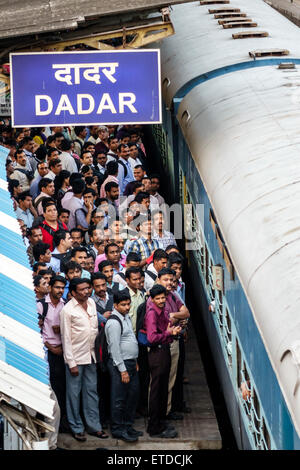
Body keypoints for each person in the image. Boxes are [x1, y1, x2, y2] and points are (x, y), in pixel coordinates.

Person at [60, 277, 109, 441]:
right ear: (73, 292)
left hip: (92, 356)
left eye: (88, 288)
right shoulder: (67, 310)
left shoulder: (92, 304)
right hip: (76, 358)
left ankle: (94, 426)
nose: (86, 291)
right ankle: (76, 427)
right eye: (82, 289)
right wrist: (71, 362)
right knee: (74, 394)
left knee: (91, 392)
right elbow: (65, 338)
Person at [145, 284, 181, 438]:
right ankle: (154, 427)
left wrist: (172, 331)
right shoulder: (152, 313)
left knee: (162, 388)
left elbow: (166, 328)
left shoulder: (163, 310)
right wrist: (168, 333)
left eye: (162, 298)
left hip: (164, 349)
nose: (161, 300)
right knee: (156, 390)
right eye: (158, 298)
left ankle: (160, 421)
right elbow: (151, 338)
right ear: (152, 299)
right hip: (157, 352)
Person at [105, 290, 140, 442]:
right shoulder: (114, 322)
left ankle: (127, 425)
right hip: (121, 365)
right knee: (118, 398)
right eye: (123, 305)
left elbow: (130, 339)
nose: (127, 307)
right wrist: (123, 370)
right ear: (115, 305)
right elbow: (114, 349)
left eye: (128, 304)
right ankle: (118, 429)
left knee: (132, 395)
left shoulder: (125, 317)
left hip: (131, 363)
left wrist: (135, 361)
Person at [37, 275, 68, 432]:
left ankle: (60, 423)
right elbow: (37, 330)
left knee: (62, 388)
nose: (60, 290)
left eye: (62, 288)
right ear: (50, 287)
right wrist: (50, 346)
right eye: (57, 287)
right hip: (48, 352)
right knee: (51, 388)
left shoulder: (65, 305)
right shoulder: (41, 306)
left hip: (63, 351)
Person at [125, 267, 145, 335]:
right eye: (135, 279)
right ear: (127, 280)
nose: (138, 282)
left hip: (140, 334)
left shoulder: (142, 294)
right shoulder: (124, 295)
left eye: (139, 279)